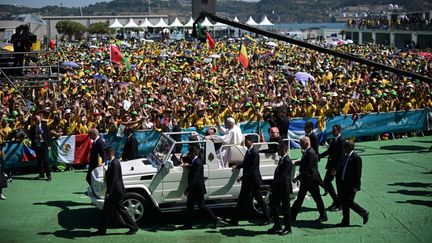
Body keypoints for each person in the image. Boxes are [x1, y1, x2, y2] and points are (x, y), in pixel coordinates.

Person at [228, 135, 272, 226]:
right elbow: (246, 164)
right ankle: (235, 220)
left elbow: (253, 168)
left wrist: (242, 177)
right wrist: (237, 166)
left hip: (253, 181)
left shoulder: (254, 152)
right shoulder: (249, 152)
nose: (245, 142)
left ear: (250, 141)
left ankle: (268, 218)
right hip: (248, 181)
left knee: (260, 200)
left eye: (246, 141)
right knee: (241, 200)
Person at [95, 147, 139, 235]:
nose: (105, 156)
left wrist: (109, 193)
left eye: (106, 154)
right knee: (108, 211)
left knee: (120, 210)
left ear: (110, 154)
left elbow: (115, 179)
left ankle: (133, 227)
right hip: (114, 191)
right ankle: (102, 230)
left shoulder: (115, 163)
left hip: (115, 192)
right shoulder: (113, 162)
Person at [180, 145, 220, 229]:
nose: (189, 154)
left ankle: (214, 219)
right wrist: (188, 166)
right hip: (195, 188)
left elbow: (195, 178)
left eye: (190, 153)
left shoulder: (197, 162)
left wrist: (188, 189)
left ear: (193, 153)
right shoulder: (196, 161)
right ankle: (189, 224)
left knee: (201, 206)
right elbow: (193, 167)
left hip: (197, 189)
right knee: (191, 206)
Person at [291, 136, 327, 222]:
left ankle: (323, 215)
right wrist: (296, 163)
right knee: (300, 199)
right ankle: (292, 216)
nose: (300, 145)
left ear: (307, 144)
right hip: (307, 180)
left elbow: (308, 169)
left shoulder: (310, 153)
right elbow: (305, 163)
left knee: (317, 198)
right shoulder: (308, 152)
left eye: (301, 144)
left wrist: (297, 178)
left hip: (311, 180)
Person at [336, 140, 369, 227]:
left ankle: (364, 212)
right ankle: (345, 221)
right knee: (345, 202)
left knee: (348, 202)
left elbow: (358, 173)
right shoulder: (345, 156)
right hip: (343, 183)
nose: (343, 148)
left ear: (350, 147)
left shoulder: (356, 158)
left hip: (351, 185)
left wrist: (356, 186)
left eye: (345, 146)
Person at [267, 143, 293, 235]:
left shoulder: (287, 161)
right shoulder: (282, 159)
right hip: (278, 188)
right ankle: (277, 226)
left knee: (286, 209)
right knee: (273, 206)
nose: (277, 151)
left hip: (284, 189)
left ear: (284, 150)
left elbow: (282, 176)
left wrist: (272, 185)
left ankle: (288, 228)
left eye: (279, 149)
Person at [319, 124, 344, 211]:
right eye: (333, 130)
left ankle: (339, 204)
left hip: (336, 168)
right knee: (326, 182)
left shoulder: (341, 141)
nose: (333, 132)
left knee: (338, 185)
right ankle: (336, 201)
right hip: (331, 165)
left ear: (339, 131)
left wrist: (336, 169)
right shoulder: (334, 140)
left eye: (334, 130)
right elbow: (329, 151)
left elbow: (341, 156)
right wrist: (319, 156)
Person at [28, 115, 51, 181]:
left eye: (39, 119)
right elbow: (30, 136)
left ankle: (48, 175)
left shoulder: (45, 126)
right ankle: (41, 174)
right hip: (37, 145)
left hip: (44, 145)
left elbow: (48, 136)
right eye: (36, 119)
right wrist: (34, 137)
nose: (38, 120)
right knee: (39, 161)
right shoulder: (32, 127)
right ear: (35, 120)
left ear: (40, 119)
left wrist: (49, 145)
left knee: (45, 160)